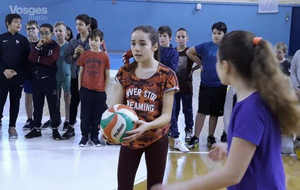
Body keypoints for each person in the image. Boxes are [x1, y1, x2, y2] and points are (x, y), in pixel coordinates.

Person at [151, 30, 300, 190]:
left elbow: (232, 174)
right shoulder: (258, 99)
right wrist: (231, 147)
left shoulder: (251, 109)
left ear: (225, 66)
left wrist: (179, 187)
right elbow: (258, 145)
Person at [115, 25, 178, 190]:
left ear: (154, 46)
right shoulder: (124, 72)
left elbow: (166, 115)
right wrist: (109, 126)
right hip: (130, 138)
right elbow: (116, 108)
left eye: (142, 43)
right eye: (133, 43)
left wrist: (147, 126)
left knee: (155, 187)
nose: (136, 48)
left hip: (157, 138)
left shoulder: (167, 75)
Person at [186, 22, 228, 149]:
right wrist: (200, 63)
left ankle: (211, 136)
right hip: (205, 85)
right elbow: (189, 52)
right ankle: (196, 137)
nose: (216, 36)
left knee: (214, 114)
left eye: (219, 33)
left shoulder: (227, 50)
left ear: (224, 34)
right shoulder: (205, 46)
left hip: (220, 86)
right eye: (214, 33)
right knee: (201, 112)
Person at [25, 23, 61, 140]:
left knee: (53, 105)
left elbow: (50, 61)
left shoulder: (55, 46)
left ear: (52, 34)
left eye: (46, 33)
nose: (44, 35)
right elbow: (31, 59)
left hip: (50, 80)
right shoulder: (37, 45)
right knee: (38, 105)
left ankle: (55, 130)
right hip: (37, 80)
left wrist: (38, 58)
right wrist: (37, 48)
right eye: (42, 33)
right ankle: (36, 128)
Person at [77, 29, 110, 146]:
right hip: (86, 90)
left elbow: (107, 75)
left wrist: (104, 91)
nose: (93, 42)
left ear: (101, 42)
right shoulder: (85, 55)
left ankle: (94, 136)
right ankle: (84, 136)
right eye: (91, 40)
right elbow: (81, 72)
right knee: (85, 115)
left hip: (99, 92)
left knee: (97, 116)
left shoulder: (104, 57)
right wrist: (80, 88)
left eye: (96, 40)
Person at [0, 13, 30, 138]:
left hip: (17, 77)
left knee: (15, 102)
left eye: (20, 22)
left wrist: (17, 72)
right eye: (16, 22)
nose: (19, 24)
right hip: (2, 76)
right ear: (8, 23)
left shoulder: (23, 40)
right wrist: (4, 70)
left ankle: (12, 127)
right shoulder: (1, 38)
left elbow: (26, 60)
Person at [63, 14, 91, 139]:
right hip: (75, 76)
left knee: (88, 103)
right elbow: (67, 59)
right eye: (76, 24)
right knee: (74, 101)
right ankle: (71, 127)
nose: (78, 27)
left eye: (80, 24)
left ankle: (89, 129)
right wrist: (74, 55)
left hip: (90, 78)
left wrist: (84, 54)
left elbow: (97, 58)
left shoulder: (93, 41)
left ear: (88, 26)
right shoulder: (73, 41)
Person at [172, 28, 199, 152]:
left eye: (183, 37)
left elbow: (200, 62)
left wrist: (193, 70)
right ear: (175, 39)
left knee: (187, 110)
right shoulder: (173, 52)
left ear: (187, 38)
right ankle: (173, 130)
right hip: (175, 88)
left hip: (187, 87)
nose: (181, 39)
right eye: (179, 37)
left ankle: (189, 130)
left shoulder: (190, 52)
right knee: (175, 110)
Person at [54, 22, 71, 131]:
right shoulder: (52, 45)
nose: (59, 33)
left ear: (66, 33)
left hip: (67, 77)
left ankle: (67, 120)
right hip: (55, 77)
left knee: (67, 99)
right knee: (56, 99)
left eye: (61, 31)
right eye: (56, 31)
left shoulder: (69, 46)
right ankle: (56, 118)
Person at [23, 20, 39, 130]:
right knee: (28, 97)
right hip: (27, 74)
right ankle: (29, 119)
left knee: (39, 98)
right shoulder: (23, 43)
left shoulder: (42, 42)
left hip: (41, 75)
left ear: (37, 29)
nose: (31, 31)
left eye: (33, 28)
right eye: (28, 29)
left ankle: (38, 119)